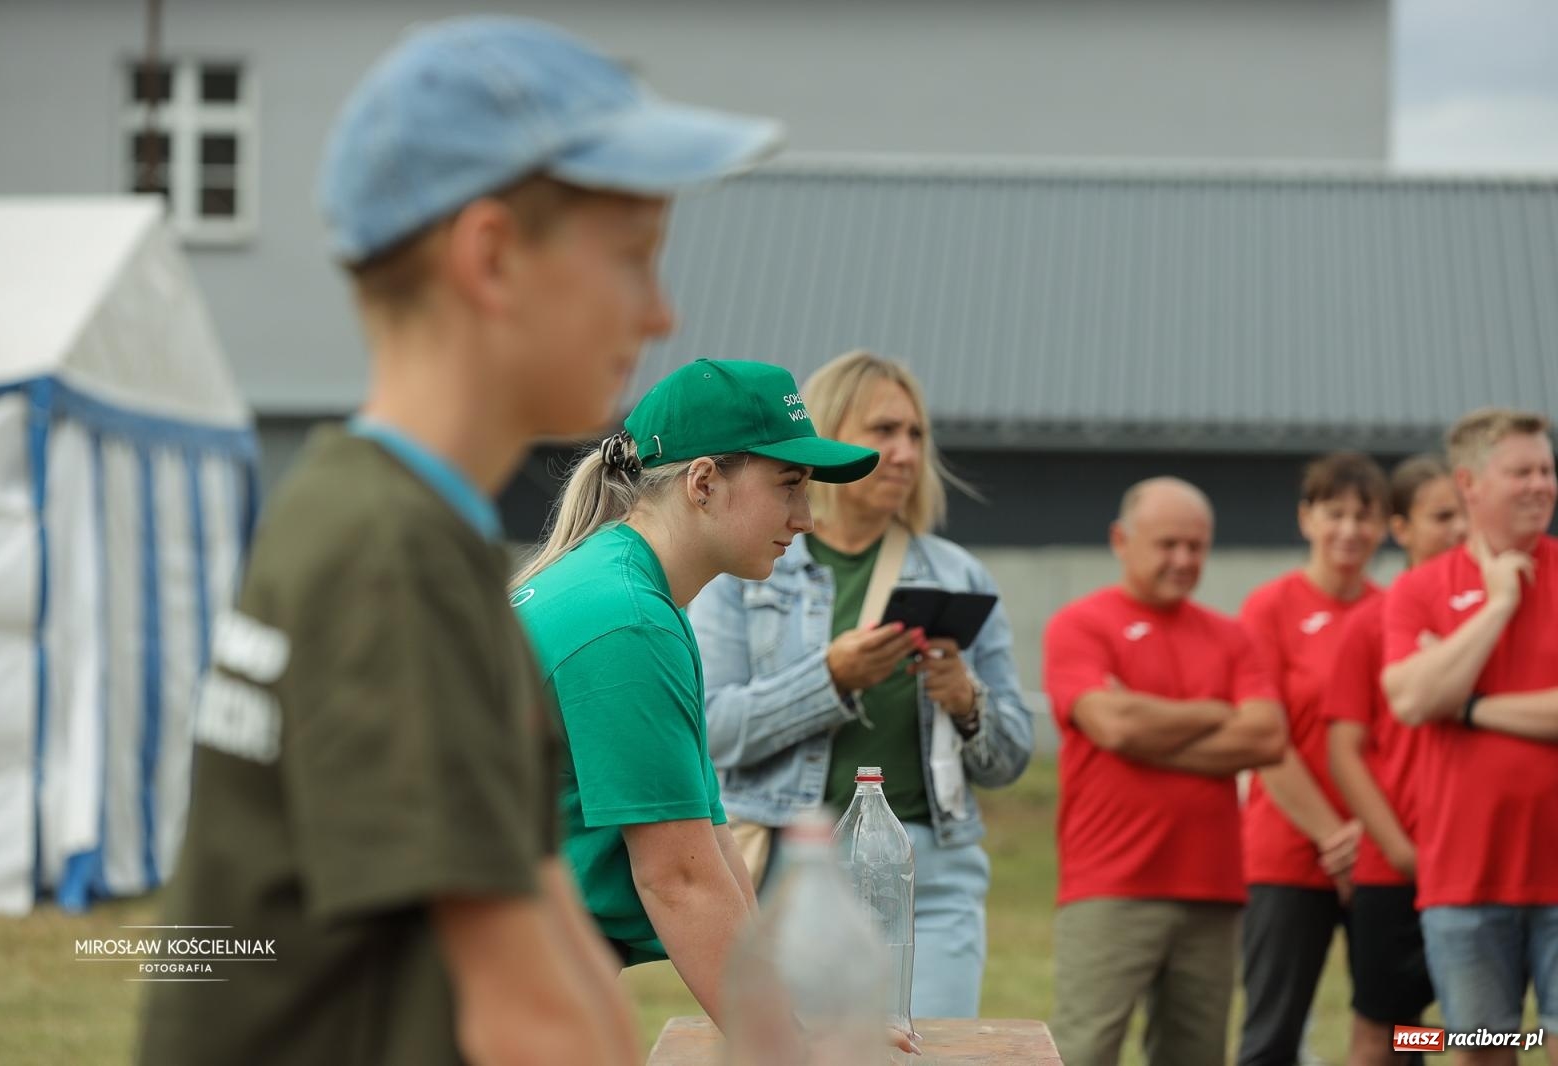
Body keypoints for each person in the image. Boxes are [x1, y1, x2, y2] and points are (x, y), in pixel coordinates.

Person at [138, 18, 782, 1066]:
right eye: (632, 260)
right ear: (491, 258)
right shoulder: (386, 555)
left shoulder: (394, 523)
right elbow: (518, 1008)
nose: (659, 312)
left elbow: (535, 907)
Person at [510, 358, 881, 1028]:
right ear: (704, 481)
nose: (806, 516)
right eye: (790, 484)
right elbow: (676, 883)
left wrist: (806, 1020)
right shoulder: (626, 618)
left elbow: (710, 851)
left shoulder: (640, 597)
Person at [686, 349, 1035, 1019]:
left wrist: (966, 702)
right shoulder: (747, 570)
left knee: (926, 1059)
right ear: (825, 438)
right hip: (795, 867)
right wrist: (831, 679)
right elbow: (713, 732)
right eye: (883, 431)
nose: (905, 453)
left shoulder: (961, 575)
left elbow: (1010, 759)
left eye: (916, 435)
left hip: (932, 878)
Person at [1043, 477, 1286, 1066]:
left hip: (1212, 888)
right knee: (1082, 1052)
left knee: (1197, 1055)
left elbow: (1268, 736)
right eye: (1167, 544)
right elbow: (1112, 725)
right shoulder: (1080, 625)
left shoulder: (1233, 636)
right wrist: (1213, 711)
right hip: (1110, 885)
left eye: (1196, 546)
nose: (1183, 559)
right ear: (1121, 540)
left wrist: (1144, 730)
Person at [1382, 409, 1558, 1066]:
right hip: (1464, 882)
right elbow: (1411, 699)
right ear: (1471, 484)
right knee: (1482, 1051)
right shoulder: (1419, 590)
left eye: (1547, 469)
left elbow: (1440, 698)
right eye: (1522, 471)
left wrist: (1471, 704)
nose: (1541, 484)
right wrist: (1500, 605)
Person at [1237, 452, 1389, 1066]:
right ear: (1307, 518)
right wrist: (1337, 839)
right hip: (1286, 853)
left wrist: (1370, 840)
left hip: (1382, 853)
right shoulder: (1269, 608)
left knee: (1400, 1029)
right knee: (1272, 1034)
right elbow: (1266, 740)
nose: (1349, 529)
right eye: (1335, 513)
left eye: (1365, 515)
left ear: (1386, 526)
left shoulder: (1395, 609)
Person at [1324, 456, 1466, 1066]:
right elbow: (1345, 749)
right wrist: (1401, 849)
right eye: (1443, 516)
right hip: (1397, 869)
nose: (1460, 529)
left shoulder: (1494, 611)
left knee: (1485, 1032)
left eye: (1467, 513)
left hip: (1481, 866)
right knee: (1385, 1029)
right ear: (1401, 528)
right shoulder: (1370, 624)